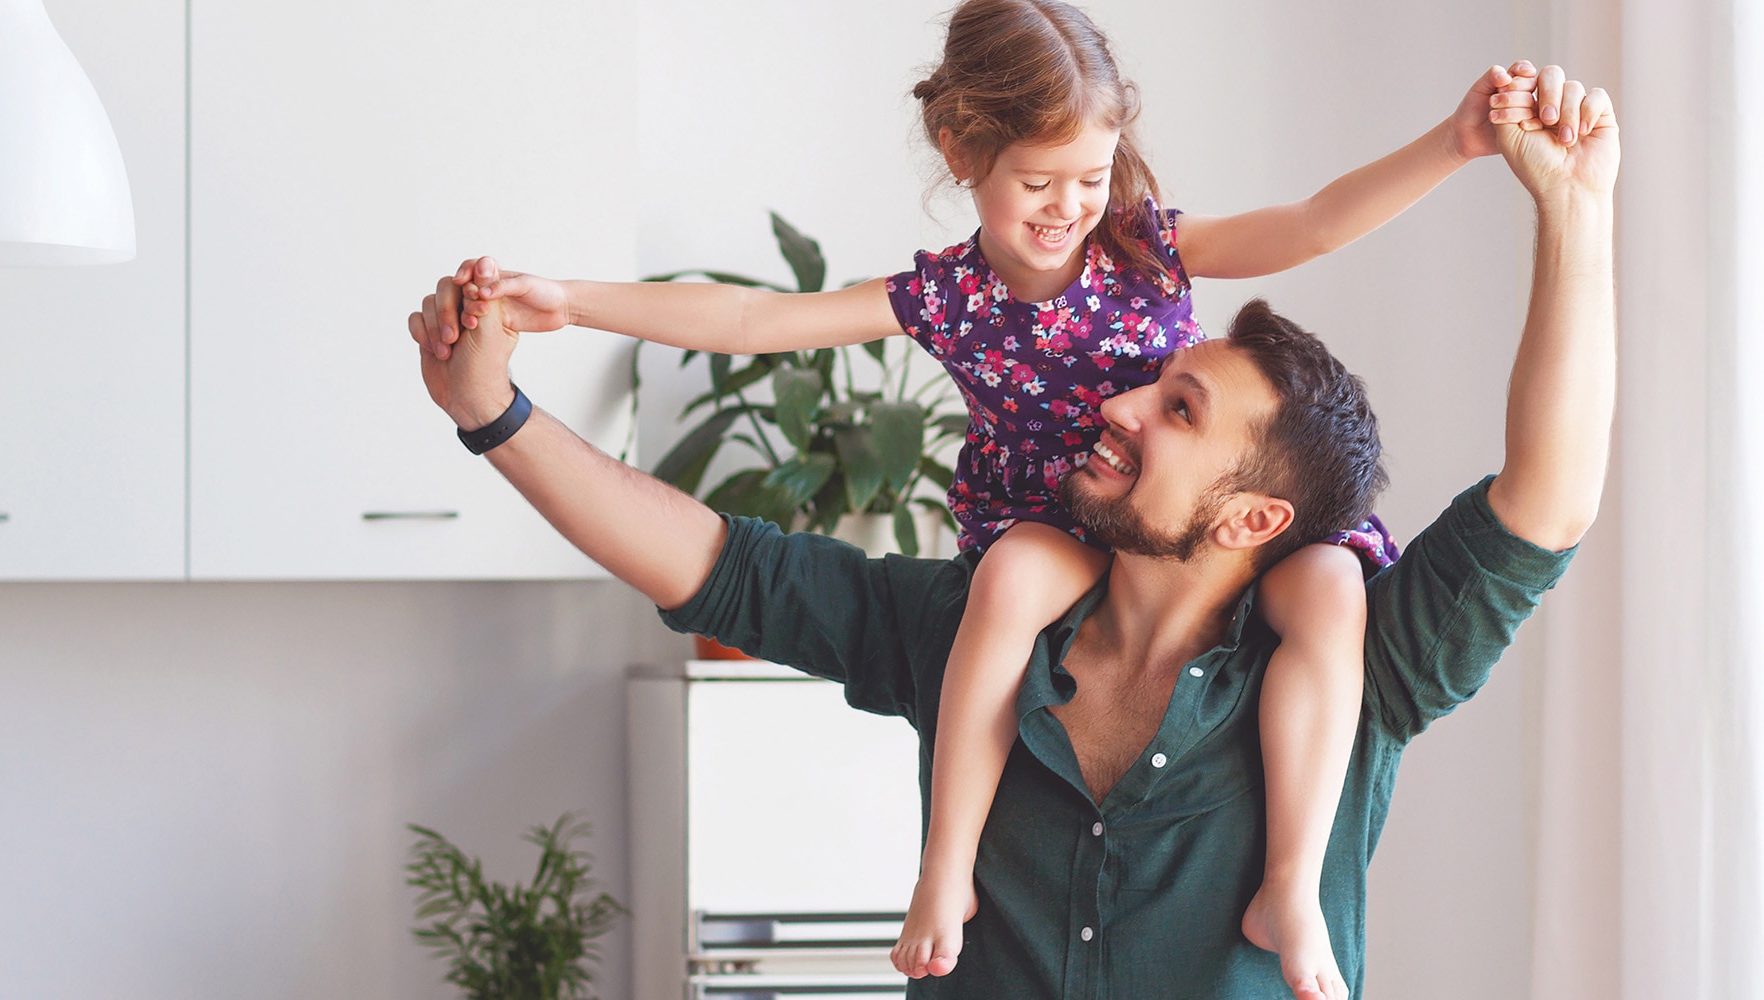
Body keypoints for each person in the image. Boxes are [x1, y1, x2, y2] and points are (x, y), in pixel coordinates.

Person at [405, 62, 1614, 1000]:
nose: (1121, 396)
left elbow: (1545, 501)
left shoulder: (1353, 662)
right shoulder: (981, 615)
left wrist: (1574, 209)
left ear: (1252, 516)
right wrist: (492, 415)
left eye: (1177, 408)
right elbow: (726, 570)